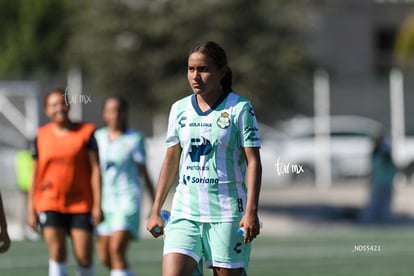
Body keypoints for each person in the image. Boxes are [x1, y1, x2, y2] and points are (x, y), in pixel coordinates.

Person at [146, 41, 262, 276]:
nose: (195, 76)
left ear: (221, 72)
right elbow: (171, 160)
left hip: (227, 214)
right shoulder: (179, 109)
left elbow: (253, 162)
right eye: (191, 69)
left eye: (203, 69)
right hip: (184, 212)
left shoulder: (240, 109)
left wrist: (251, 212)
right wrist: (156, 208)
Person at [27, 88, 103, 276]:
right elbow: (35, 174)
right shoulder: (41, 136)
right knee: (57, 253)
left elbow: (95, 170)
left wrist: (97, 205)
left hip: (81, 204)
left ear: (69, 105)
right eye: (53, 105)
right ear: (46, 110)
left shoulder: (86, 132)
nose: (59, 108)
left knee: (84, 257)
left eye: (62, 103)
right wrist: (31, 210)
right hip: (49, 202)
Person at [95, 96, 155, 276]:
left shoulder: (134, 139)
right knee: (105, 257)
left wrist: (155, 204)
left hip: (127, 200)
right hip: (105, 202)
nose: (115, 114)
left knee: (116, 250)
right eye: (110, 110)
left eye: (118, 110)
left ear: (124, 113)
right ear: (104, 114)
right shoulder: (97, 138)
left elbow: (144, 173)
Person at [359, 133, 398, 224]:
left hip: (387, 183)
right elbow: (377, 166)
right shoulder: (377, 154)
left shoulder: (387, 153)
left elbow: (393, 168)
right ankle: (368, 221)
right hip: (378, 182)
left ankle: (384, 221)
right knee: (374, 203)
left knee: (386, 205)